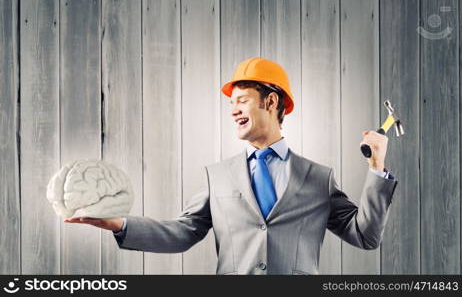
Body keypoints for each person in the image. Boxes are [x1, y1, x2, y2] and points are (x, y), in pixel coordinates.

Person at [65, 57, 398, 275]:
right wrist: (119, 224)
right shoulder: (218, 176)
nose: (233, 110)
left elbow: (365, 236)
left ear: (271, 102)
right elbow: (183, 233)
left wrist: (376, 167)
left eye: (242, 101)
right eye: (230, 104)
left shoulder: (317, 178)